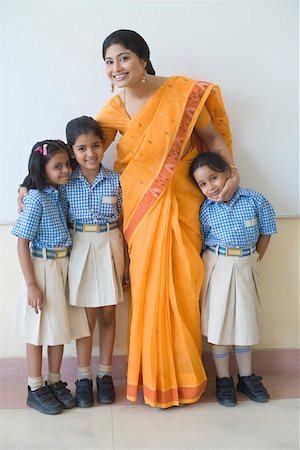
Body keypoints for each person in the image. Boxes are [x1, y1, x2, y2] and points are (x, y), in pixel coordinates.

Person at [96, 29, 240, 408]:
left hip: (183, 203)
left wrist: (233, 172)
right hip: (141, 213)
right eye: (109, 62)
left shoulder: (183, 93)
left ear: (143, 58)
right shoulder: (112, 109)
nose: (116, 67)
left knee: (182, 286)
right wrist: (33, 182)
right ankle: (153, 380)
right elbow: (86, 154)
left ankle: (186, 377)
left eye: (123, 57)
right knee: (148, 289)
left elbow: (213, 140)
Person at [189, 151, 277, 406]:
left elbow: (267, 231)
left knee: (244, 321)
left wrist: (255, 259)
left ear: (228, 173)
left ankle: (247, 377)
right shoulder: (205, 210)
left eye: (213, 178)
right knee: (219, 323)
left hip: (246, 264)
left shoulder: (254, 199)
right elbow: (201, 241)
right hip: (217, 265)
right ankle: (224, 379)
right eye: (202, 184)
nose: (210, 187)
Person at [12, 140, 90, 415]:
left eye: (67, 164)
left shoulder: (59, 193)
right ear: (42, 169)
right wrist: (32, 285)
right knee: (37, 330)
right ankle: (35, 386)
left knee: (57, 327)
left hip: (62, 267)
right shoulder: (34, 199)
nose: (66, 170)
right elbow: (22, 243)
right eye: (57, 166)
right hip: (42, 269)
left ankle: (54, 380)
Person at [64, 116, 128, 407]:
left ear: (104, 146)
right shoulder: (65, 181)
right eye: (82, 148)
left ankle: (105, 375)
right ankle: (83, 376)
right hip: (80, 246)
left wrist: (125, 262)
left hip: (109, 244)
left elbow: (125, 224)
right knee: (86, 317)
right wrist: (23, 189)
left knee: (107, 313)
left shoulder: (115, 180)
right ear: (72, 151)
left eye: (96, 145)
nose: (90, 153)